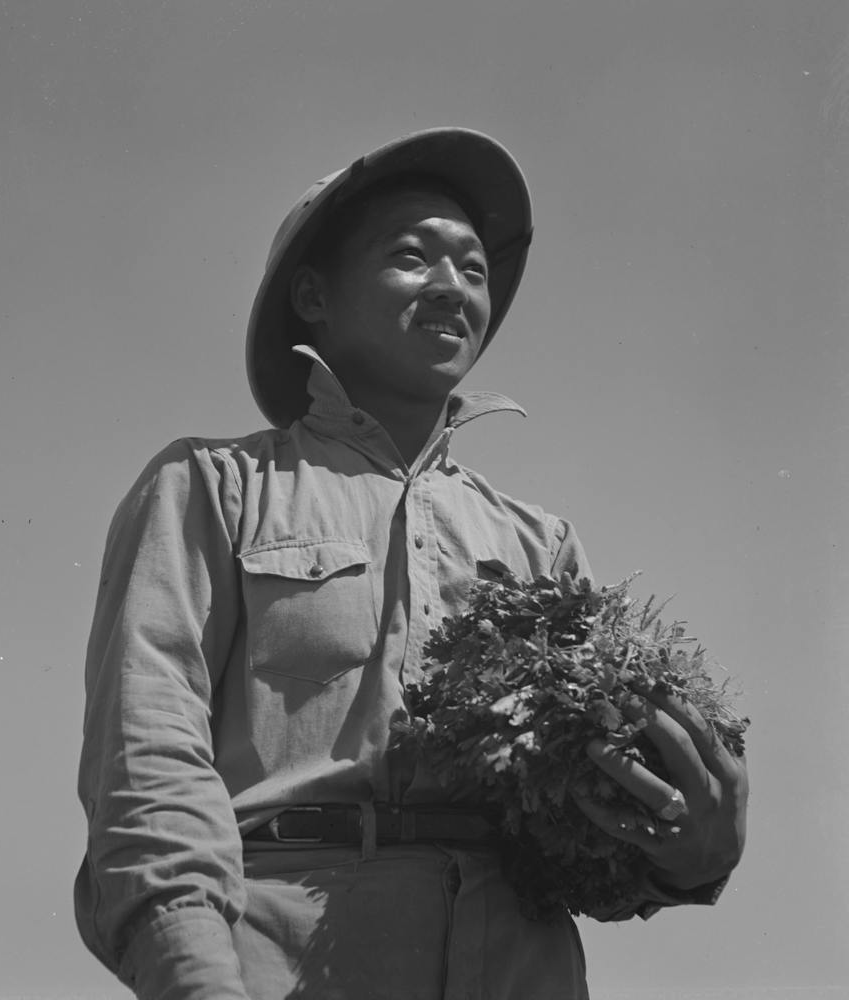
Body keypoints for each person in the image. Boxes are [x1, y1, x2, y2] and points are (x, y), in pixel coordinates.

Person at [74, 128, 748, 1000]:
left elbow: (584, 840)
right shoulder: (211, 488)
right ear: (313, 295)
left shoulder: (541, 544)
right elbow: (148, 760)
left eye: (473, 268)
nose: (452, 288)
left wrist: (686, 851)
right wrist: (196, 978)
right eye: (410, 257)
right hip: (281, 963)